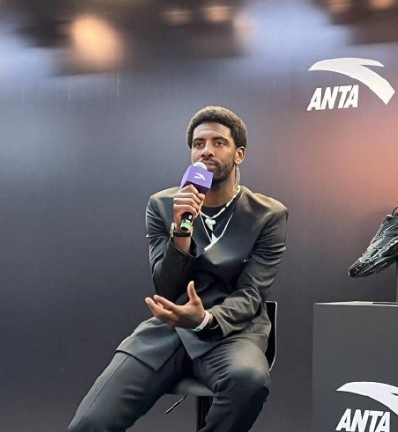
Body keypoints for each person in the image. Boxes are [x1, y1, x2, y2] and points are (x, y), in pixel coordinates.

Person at [68, 106, 288, 432]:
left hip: (231, 332)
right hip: (168, 331)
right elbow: (166, 288)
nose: (206, 151)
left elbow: (251, 294)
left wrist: (205, 319)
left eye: (218, 142)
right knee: (89, 424)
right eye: (198, 144)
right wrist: (181, 231)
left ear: (239, 154)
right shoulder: (162, 205)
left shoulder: (268, 214)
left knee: (249, 381)